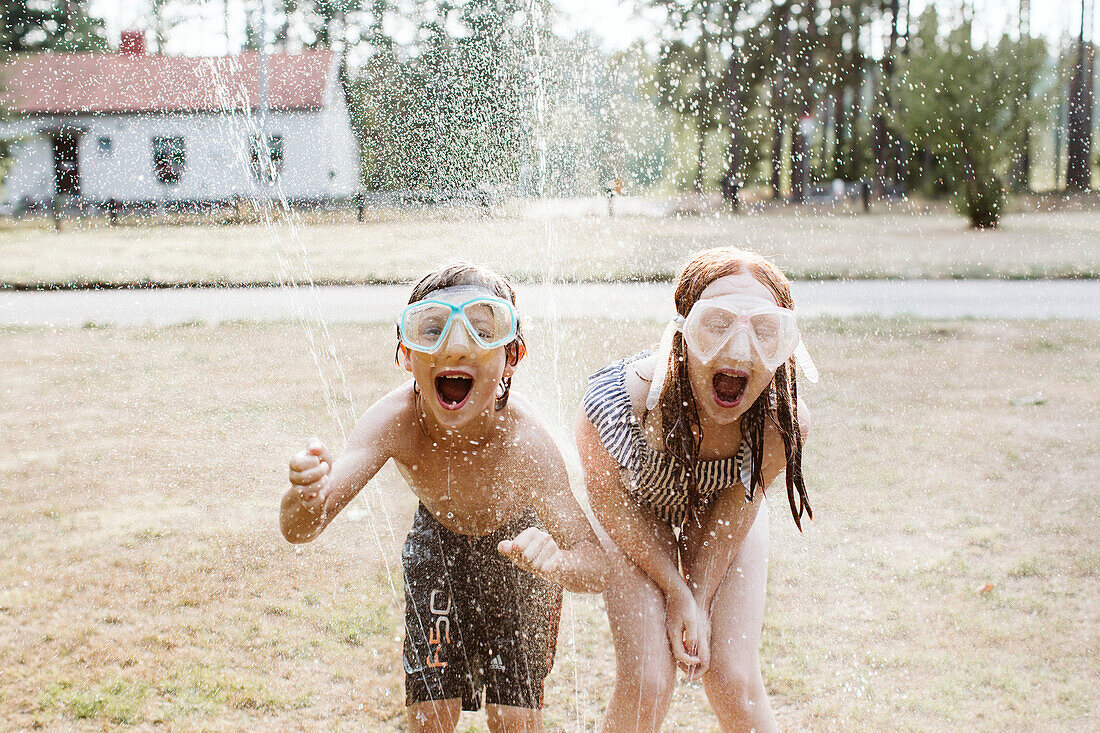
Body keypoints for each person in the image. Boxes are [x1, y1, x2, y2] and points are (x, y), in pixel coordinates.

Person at [281, 263, 609, 733]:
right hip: (438, 545)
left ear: (511, 356)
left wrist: (556, 562)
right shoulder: (395, 421)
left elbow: (595, 564)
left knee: (515, 721)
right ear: (406, 355)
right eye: (431, 329)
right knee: (430, 718)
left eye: (481, 330)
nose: (456, 345)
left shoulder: (527, 444)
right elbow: (300, 530)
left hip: (523, 557)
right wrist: (304, 498)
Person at [575, 247, 816, 732]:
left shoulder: (779, 425)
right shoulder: (623, 404)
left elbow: (735, 510)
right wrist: (674, 591)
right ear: (684, 330)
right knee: (648, 680)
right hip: (633, 511)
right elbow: (607, 502)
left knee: (733, 679)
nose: (739, 349)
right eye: (717, 324)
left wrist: (699, 596)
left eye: (764, 331)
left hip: (723, 513)